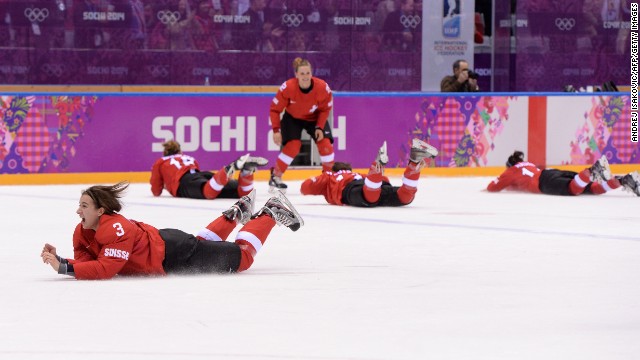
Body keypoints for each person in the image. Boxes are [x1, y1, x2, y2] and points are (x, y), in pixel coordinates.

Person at [40, 182, 304, 280]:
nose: (78, 211)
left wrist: (66, 268)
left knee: (242, 258)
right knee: (201, 245)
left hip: (174, 253)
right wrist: (63, 261)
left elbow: (106, 268)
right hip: (170, 246)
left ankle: (270, 211)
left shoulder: (114, 228)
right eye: (79, 205)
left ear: (100, 211)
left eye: (84, 206)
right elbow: (89, 261)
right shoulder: (83, 230)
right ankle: (233, 215)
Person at [301, 138, 438, 206]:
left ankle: (377, 165)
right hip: (370, 184)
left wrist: (318, 180)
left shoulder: (329, 176)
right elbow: (386, 181)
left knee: (368, 197)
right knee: (404, 197)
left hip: (350, 190)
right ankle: (414, 162)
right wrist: (377, 179)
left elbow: (305, 187)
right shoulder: (358, 175)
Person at [269, 57, 335, 193]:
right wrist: (276, 130)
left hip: (314, 118)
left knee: (326, 144)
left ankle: (328, 180)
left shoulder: (322, 87)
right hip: (293, 118)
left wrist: (320, 127)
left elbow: (325, 109)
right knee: (293, 147)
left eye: (308, 73)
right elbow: (274, 110)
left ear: (312, 74)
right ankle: (275, 177)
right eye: (302, 74)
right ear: (296, 75)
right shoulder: (287, 87)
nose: (305, 76)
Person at [486, 150, 640, 197]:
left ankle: (593, 170)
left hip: (544, 182)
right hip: (551, 172)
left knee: (573, 190)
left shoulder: (511, 171)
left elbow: (494, 187)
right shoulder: (529, 165)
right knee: (593, 189)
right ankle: (624, 180)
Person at [150, 140, 268, 200]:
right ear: (180, 151)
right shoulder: (189, 158)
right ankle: (246, 171)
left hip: (184, 182)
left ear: (165, 152)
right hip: (202, 175)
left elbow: (156, 190)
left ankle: (227, 170)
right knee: (242, 193)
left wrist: (166, 186)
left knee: (208, 193)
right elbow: (196, 171)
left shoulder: (160, 161)